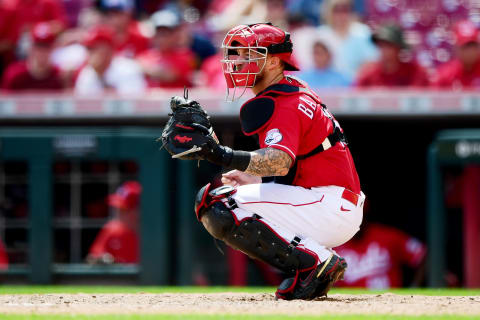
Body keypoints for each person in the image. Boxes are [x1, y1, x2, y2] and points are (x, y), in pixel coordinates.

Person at [164, 23, 365, 300]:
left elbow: (280, 162)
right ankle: (316, 262)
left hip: (327, 205)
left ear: (272, 61)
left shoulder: (284, 101)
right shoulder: (292, 88)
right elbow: (296, 164)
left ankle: (316, 261)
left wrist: (219, 153)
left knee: (218, 202)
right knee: (228, 196)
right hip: (330, 202)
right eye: (238, 55)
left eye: (249, 55)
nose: (239, 62)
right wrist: (258, 180)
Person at [335, 217, 426, 289]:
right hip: (350, 306)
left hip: (391, 303)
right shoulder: (335, 244)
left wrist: (415, 286)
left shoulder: (387, 236)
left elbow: (423, 254)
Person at [311, 0, 378, 80]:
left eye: (345, 10)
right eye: (337, 10)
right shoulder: (321, 34)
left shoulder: (362, 32)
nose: (341, 15)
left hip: (358, 84)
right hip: (329, 86)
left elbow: (372, 62)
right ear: (329, 12)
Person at [74, 26, 146, 95]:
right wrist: (98, 73)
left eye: (94, 48)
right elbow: (83, 104)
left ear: (108, 49)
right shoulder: (87, 72)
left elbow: (129, 103)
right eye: (88, 48)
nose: (90, 53)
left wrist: (100, 75)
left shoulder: (128, 68)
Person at [355, 24, 429, 87]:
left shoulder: (416, 73)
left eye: (388, 46)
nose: (384, 50)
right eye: (380, 45)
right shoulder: (368, 75)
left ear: (399, 48)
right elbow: (354, 98)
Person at [138, 10, 195, 88]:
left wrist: (144, 69)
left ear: (175, 35)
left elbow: (170, 76)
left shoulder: (185, 56)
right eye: (158, 34)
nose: (161, 39)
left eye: (165, 34)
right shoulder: (145, 55)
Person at [87, 181, 141, 264]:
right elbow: (92, 258)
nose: (118, 212)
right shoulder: (112, 229)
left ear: (138, 210)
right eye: (117, 208)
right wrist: (101, 260)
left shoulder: (156, 233)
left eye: (123, 209)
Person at [1, 23, 64, 91]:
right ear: (31, 48)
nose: (42, 52)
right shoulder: (15, 74)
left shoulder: (59, 76)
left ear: (53, 49)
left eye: (46, 47)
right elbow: (4, 98)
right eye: (38, 47)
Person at [432, 20, 480, 89]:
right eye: (465, 46)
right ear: (456, 47)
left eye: (473, 45)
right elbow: (434, 97)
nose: (470, 51)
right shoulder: (445, 74)